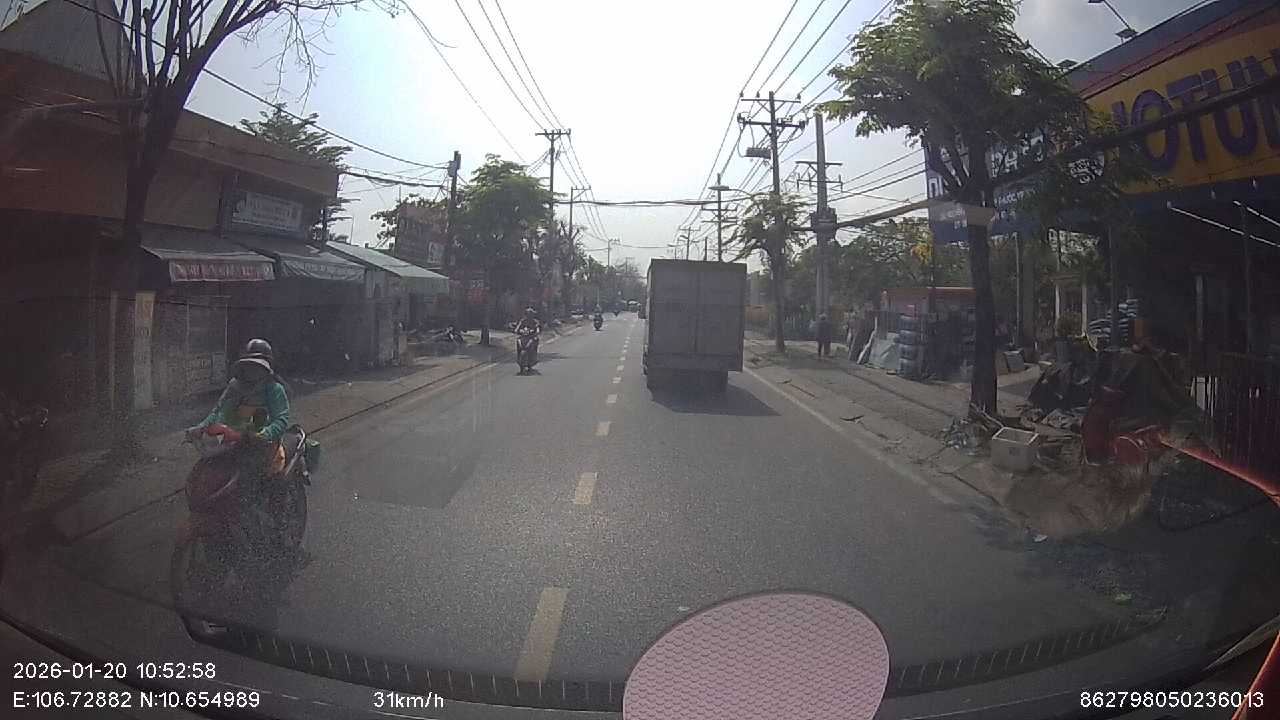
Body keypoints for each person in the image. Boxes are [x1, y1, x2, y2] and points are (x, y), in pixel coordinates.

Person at [186, 339, 290, 481]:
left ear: (266, 367)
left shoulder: (273, 389)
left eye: (257, 366)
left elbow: (281, 420)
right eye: (249, 365)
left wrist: (263, 434)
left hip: (263, 445)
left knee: (257, 479)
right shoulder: (235, 386)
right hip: (233, 440)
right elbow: (218, 411)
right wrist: (201, 427)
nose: (253, 370)